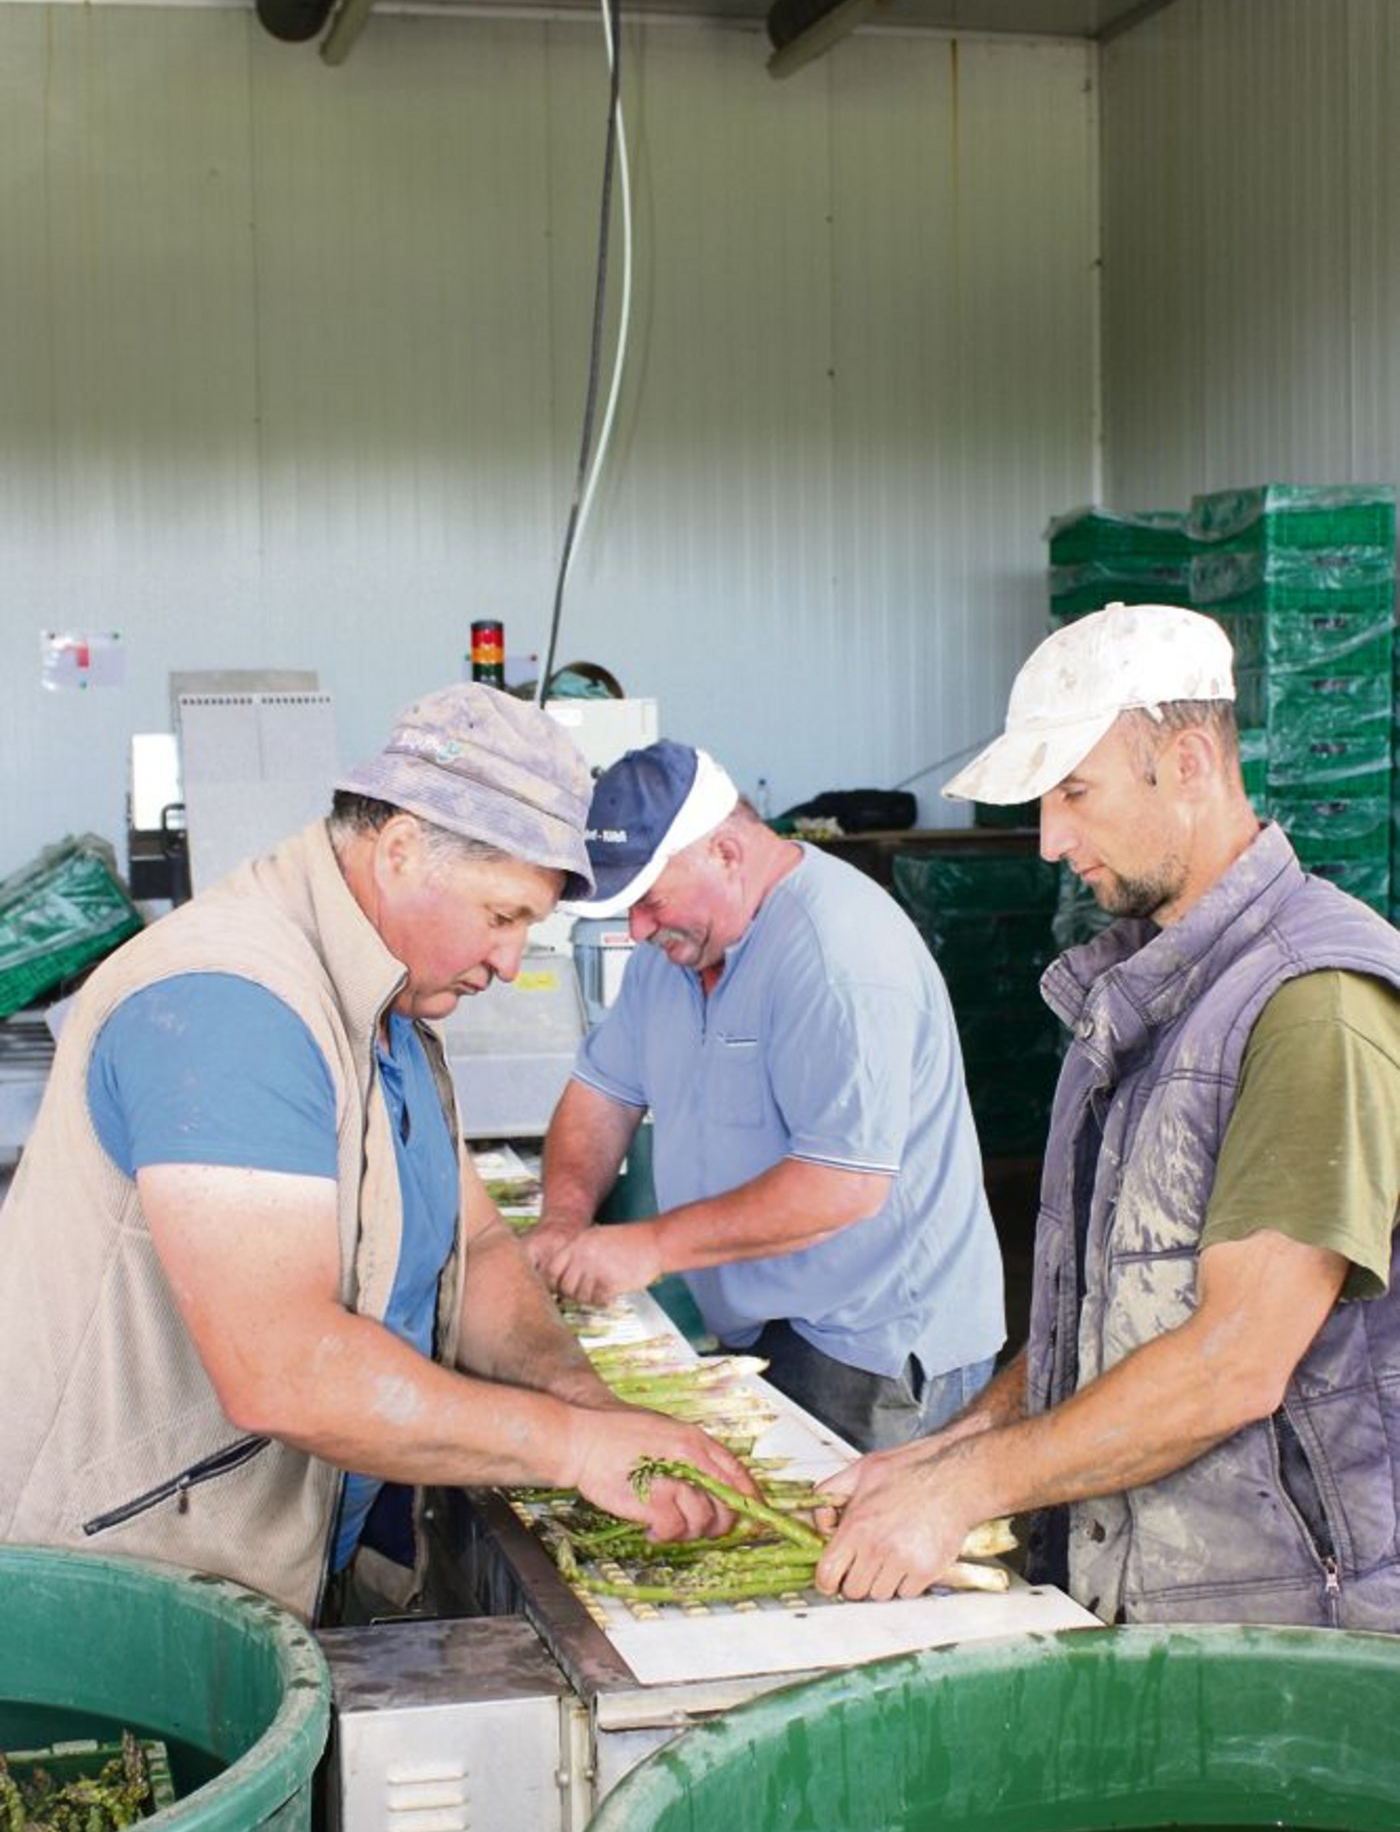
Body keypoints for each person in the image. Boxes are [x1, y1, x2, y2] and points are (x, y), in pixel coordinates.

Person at [0, 685, 754, 1622]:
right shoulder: (232, 1004)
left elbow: (473, 1247)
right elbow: (283, 1367)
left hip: (274, 1571)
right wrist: (568, 1447)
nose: (514, 962)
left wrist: (588, 1403)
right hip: (122, 1601)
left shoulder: (390, 1010)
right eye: (503, 915)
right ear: (401, 851)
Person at [815, 601, 1400, 1628]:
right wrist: (946, 1448)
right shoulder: (1147, 990)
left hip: (1287, 1632)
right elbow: (1101, 1316)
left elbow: (1231, 1364)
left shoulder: (1311, 1002)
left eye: (1073, 793)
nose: (1048, 841)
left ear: (1184, 763)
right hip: (1154, 1597)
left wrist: (962, 1493)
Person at [525, 739, 1005, 1453]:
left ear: (725, 851)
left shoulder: (837, 955)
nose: (638, 929)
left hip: (872, 1352)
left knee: (869, 1557)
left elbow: (843, 1184)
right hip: (768, 1326)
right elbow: (603, 1092)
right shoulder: (678, 952)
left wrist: (651, 1246)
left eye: (650, 901)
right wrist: (563, 1219)